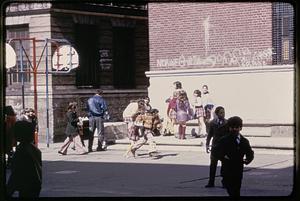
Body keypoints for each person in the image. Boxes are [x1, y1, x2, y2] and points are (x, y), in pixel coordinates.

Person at [211, 116, 254, 197]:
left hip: (238, 169)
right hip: (227, 169)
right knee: (230, 189)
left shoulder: (244, 141)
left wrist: (247, 160)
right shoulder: (224, 139)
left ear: (240, 128)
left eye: (236, 127)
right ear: (229, 128)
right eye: (232, 127)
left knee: (237, 189)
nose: (234, 129)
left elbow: (250, 152)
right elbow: (215, 151)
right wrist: (223, 157)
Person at [6, 120, 42, 198]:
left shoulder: (21, 151)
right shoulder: (34, 149)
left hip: (27, 186)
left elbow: (16, 174)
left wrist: (8, 192)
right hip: (35, 185)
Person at [205, 106, 227, 188]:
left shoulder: (227, 123)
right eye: (221, 112)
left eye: (223, 112)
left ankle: (224, 182)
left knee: (225, 166)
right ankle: (211, 182)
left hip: (224, 148)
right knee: (213, 166)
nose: (223, 114)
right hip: (215, 147)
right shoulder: (212, 123)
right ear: (217, 114)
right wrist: (207, 144)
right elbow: (210, 135)